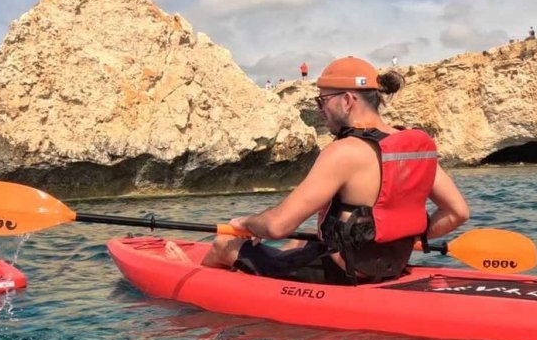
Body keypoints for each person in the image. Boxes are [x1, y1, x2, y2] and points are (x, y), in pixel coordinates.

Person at [175, 57, 469, 285]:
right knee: (299, 241)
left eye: (322, 100)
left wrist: (246, 222)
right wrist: (402, 238)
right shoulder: (410, 146)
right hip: (389, 266)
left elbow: (278, 225)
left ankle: (196, 289)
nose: (319, 109)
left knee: (225, 243)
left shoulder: (344, 151)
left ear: (348, 100)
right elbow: (457, 213)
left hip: (342, 275)